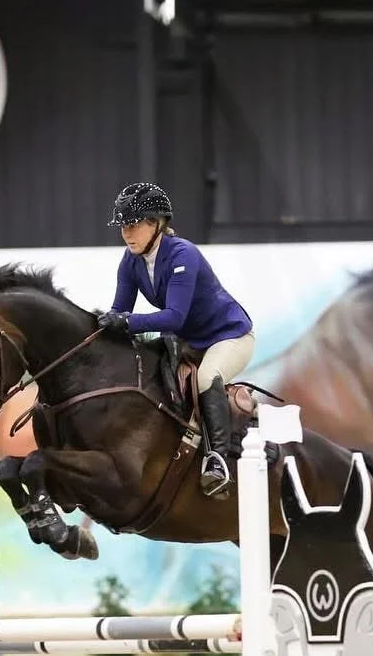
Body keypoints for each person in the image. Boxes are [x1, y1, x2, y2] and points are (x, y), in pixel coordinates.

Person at [97, 182, 255, 499]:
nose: (126, 233)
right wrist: (101, 324)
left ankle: (218, 460)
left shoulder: (183, 253)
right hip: (187, 341)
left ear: (156, 223)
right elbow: (120, 311)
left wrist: (125, 322)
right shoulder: (130, 260)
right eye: (123, 226)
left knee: (207, 377)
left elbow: (173, 318)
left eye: (132, 225)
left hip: (228, 336)